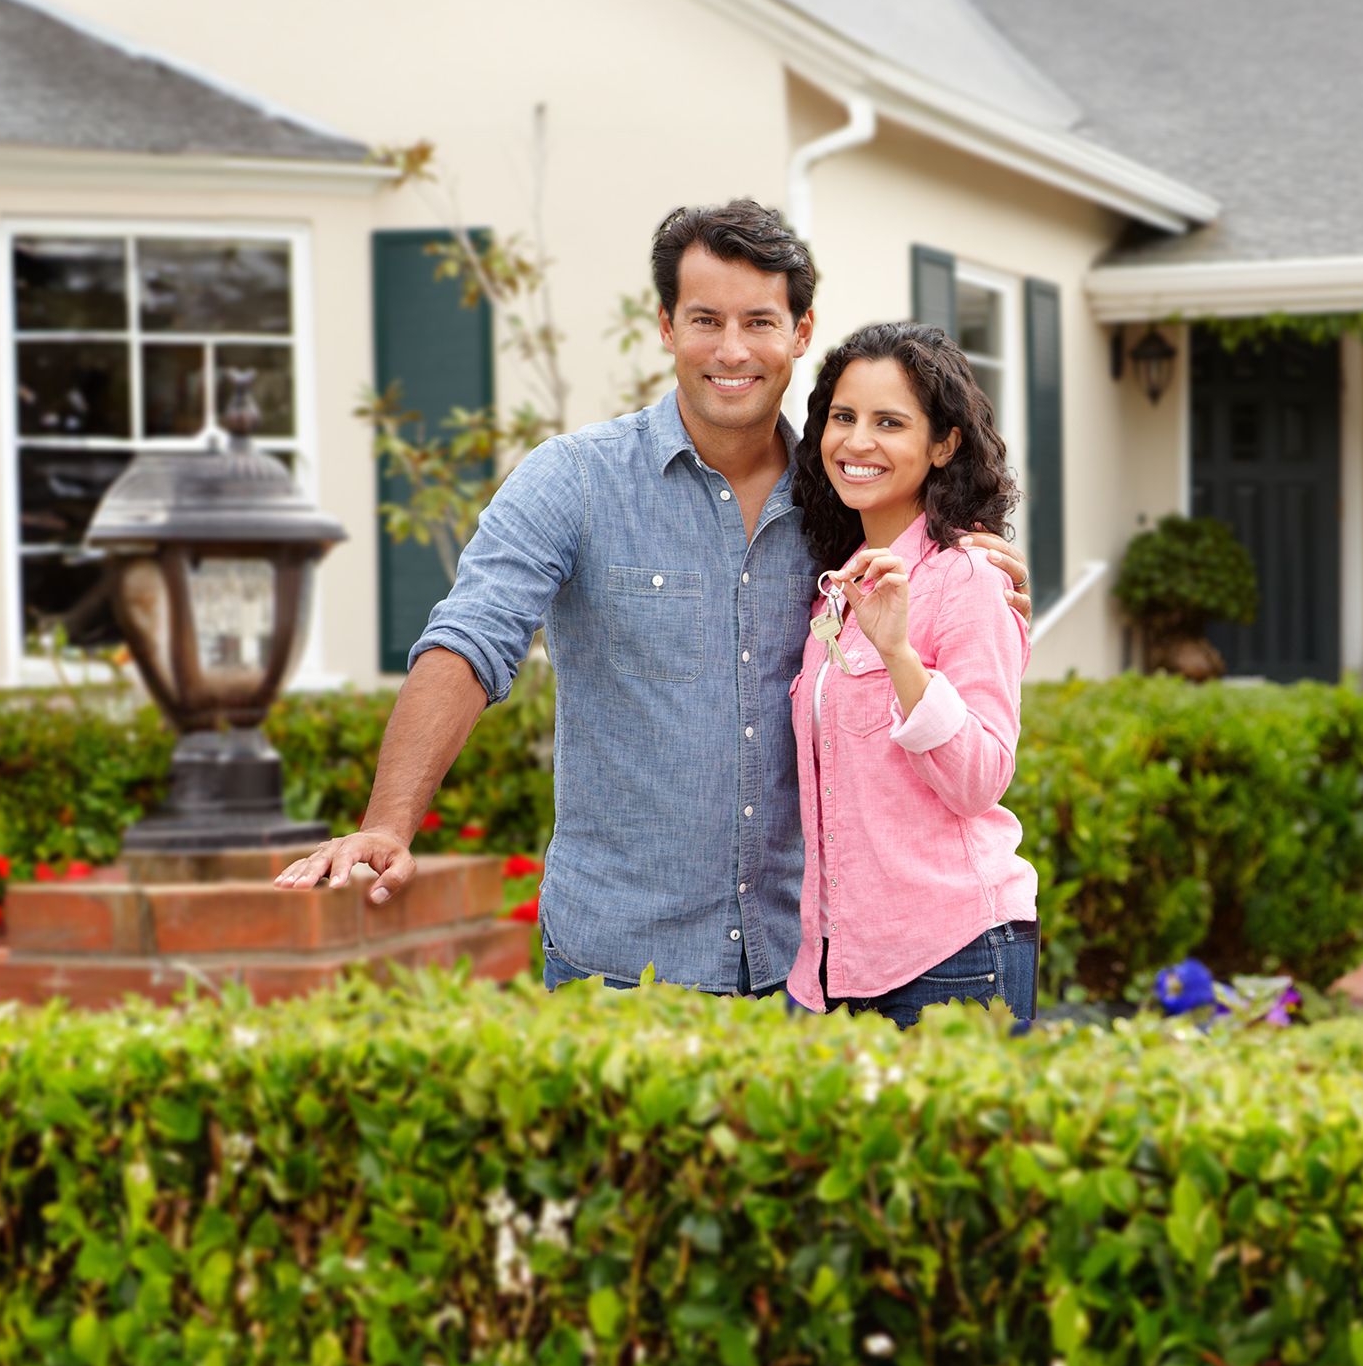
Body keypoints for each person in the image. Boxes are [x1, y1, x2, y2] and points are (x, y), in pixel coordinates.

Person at [271, 201, 1029, 995]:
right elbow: (470, 639)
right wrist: (389, 822)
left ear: (801, 334)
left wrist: (973, 572)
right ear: (666, 325)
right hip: (620, 963)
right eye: (705, 319)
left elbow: (941, 621)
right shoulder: (575, 480)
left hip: (803, 969)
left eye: (759, 321)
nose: (732, 350)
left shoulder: (844, 504)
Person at [783, 322, 1038, 1028]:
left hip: (953, 954)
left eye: (888, 422)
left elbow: (981, 777)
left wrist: (899, 656)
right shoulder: (833, 589)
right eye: (843, 417)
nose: (856, 442)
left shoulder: (971, 578)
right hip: (833, 965)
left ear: (944, 443)